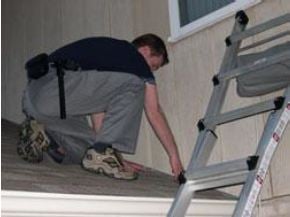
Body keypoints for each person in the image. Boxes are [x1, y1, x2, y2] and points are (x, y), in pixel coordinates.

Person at [19, 33, 183, 180]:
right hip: (54, 87)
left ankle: (46, 138)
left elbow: (99, 111)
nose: (151, 72)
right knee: (136, 83)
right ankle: (101, 152)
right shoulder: (132, 57)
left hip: (36, 99)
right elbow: (154, 111)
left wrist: (112, 157)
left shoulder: (109, 65)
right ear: (145, 51)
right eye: (153, 66)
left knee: (85, 154)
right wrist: (174, 156)